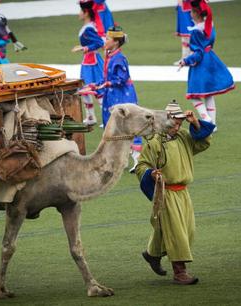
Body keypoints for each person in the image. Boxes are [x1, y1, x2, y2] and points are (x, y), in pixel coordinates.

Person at [136, 100, 215, 285]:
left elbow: (204, 143)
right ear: (165, 121)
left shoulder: (184, 137)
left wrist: (194, 123)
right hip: (166, 193)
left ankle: (152, 254)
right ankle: (180, 273)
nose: (177, 127)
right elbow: (141, 165)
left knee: (185, 230)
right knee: (177, 233)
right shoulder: (154, 142)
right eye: (175, 123)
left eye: (180, 123)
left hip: (183, 193)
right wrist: (151, 173)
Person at [178, 0, 234, 131]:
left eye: (191, 11)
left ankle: (206, 119)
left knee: (194, 95)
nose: (190, 13)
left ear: (196, 13)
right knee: (209, 94)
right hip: (211, 60)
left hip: (201, 65)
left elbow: (198, 53)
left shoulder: (196, 31)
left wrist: (185, 61)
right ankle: (212, 124)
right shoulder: (209, 26)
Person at [92, 25, 142, 172]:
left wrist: (106, 84)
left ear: (115, 42)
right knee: (113, 127)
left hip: (122, 96)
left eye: (107, 38)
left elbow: (122, 78)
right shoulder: (109, 55)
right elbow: (107, 77)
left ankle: (138, 159)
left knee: (128, 126)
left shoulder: (119, 58)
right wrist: (98, 84)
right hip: (112, 95)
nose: (104, 40)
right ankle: (116, 160)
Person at [72, 0, 105, 126]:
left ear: (86, 13)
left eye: (80, 11)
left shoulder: (89, 28)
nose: (79, 14)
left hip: (92, 62)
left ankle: (105, 118)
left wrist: (83, 48)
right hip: (88, 61)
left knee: (97, 89)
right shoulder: (88, 27)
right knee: (85, 89)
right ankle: (91, 116)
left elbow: (99, 43)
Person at [174, 0, 194, 65]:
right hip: (183, 7)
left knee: (191, 34)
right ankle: (185, 58)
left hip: (189, 6)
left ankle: (192, 58)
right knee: (185, 36)